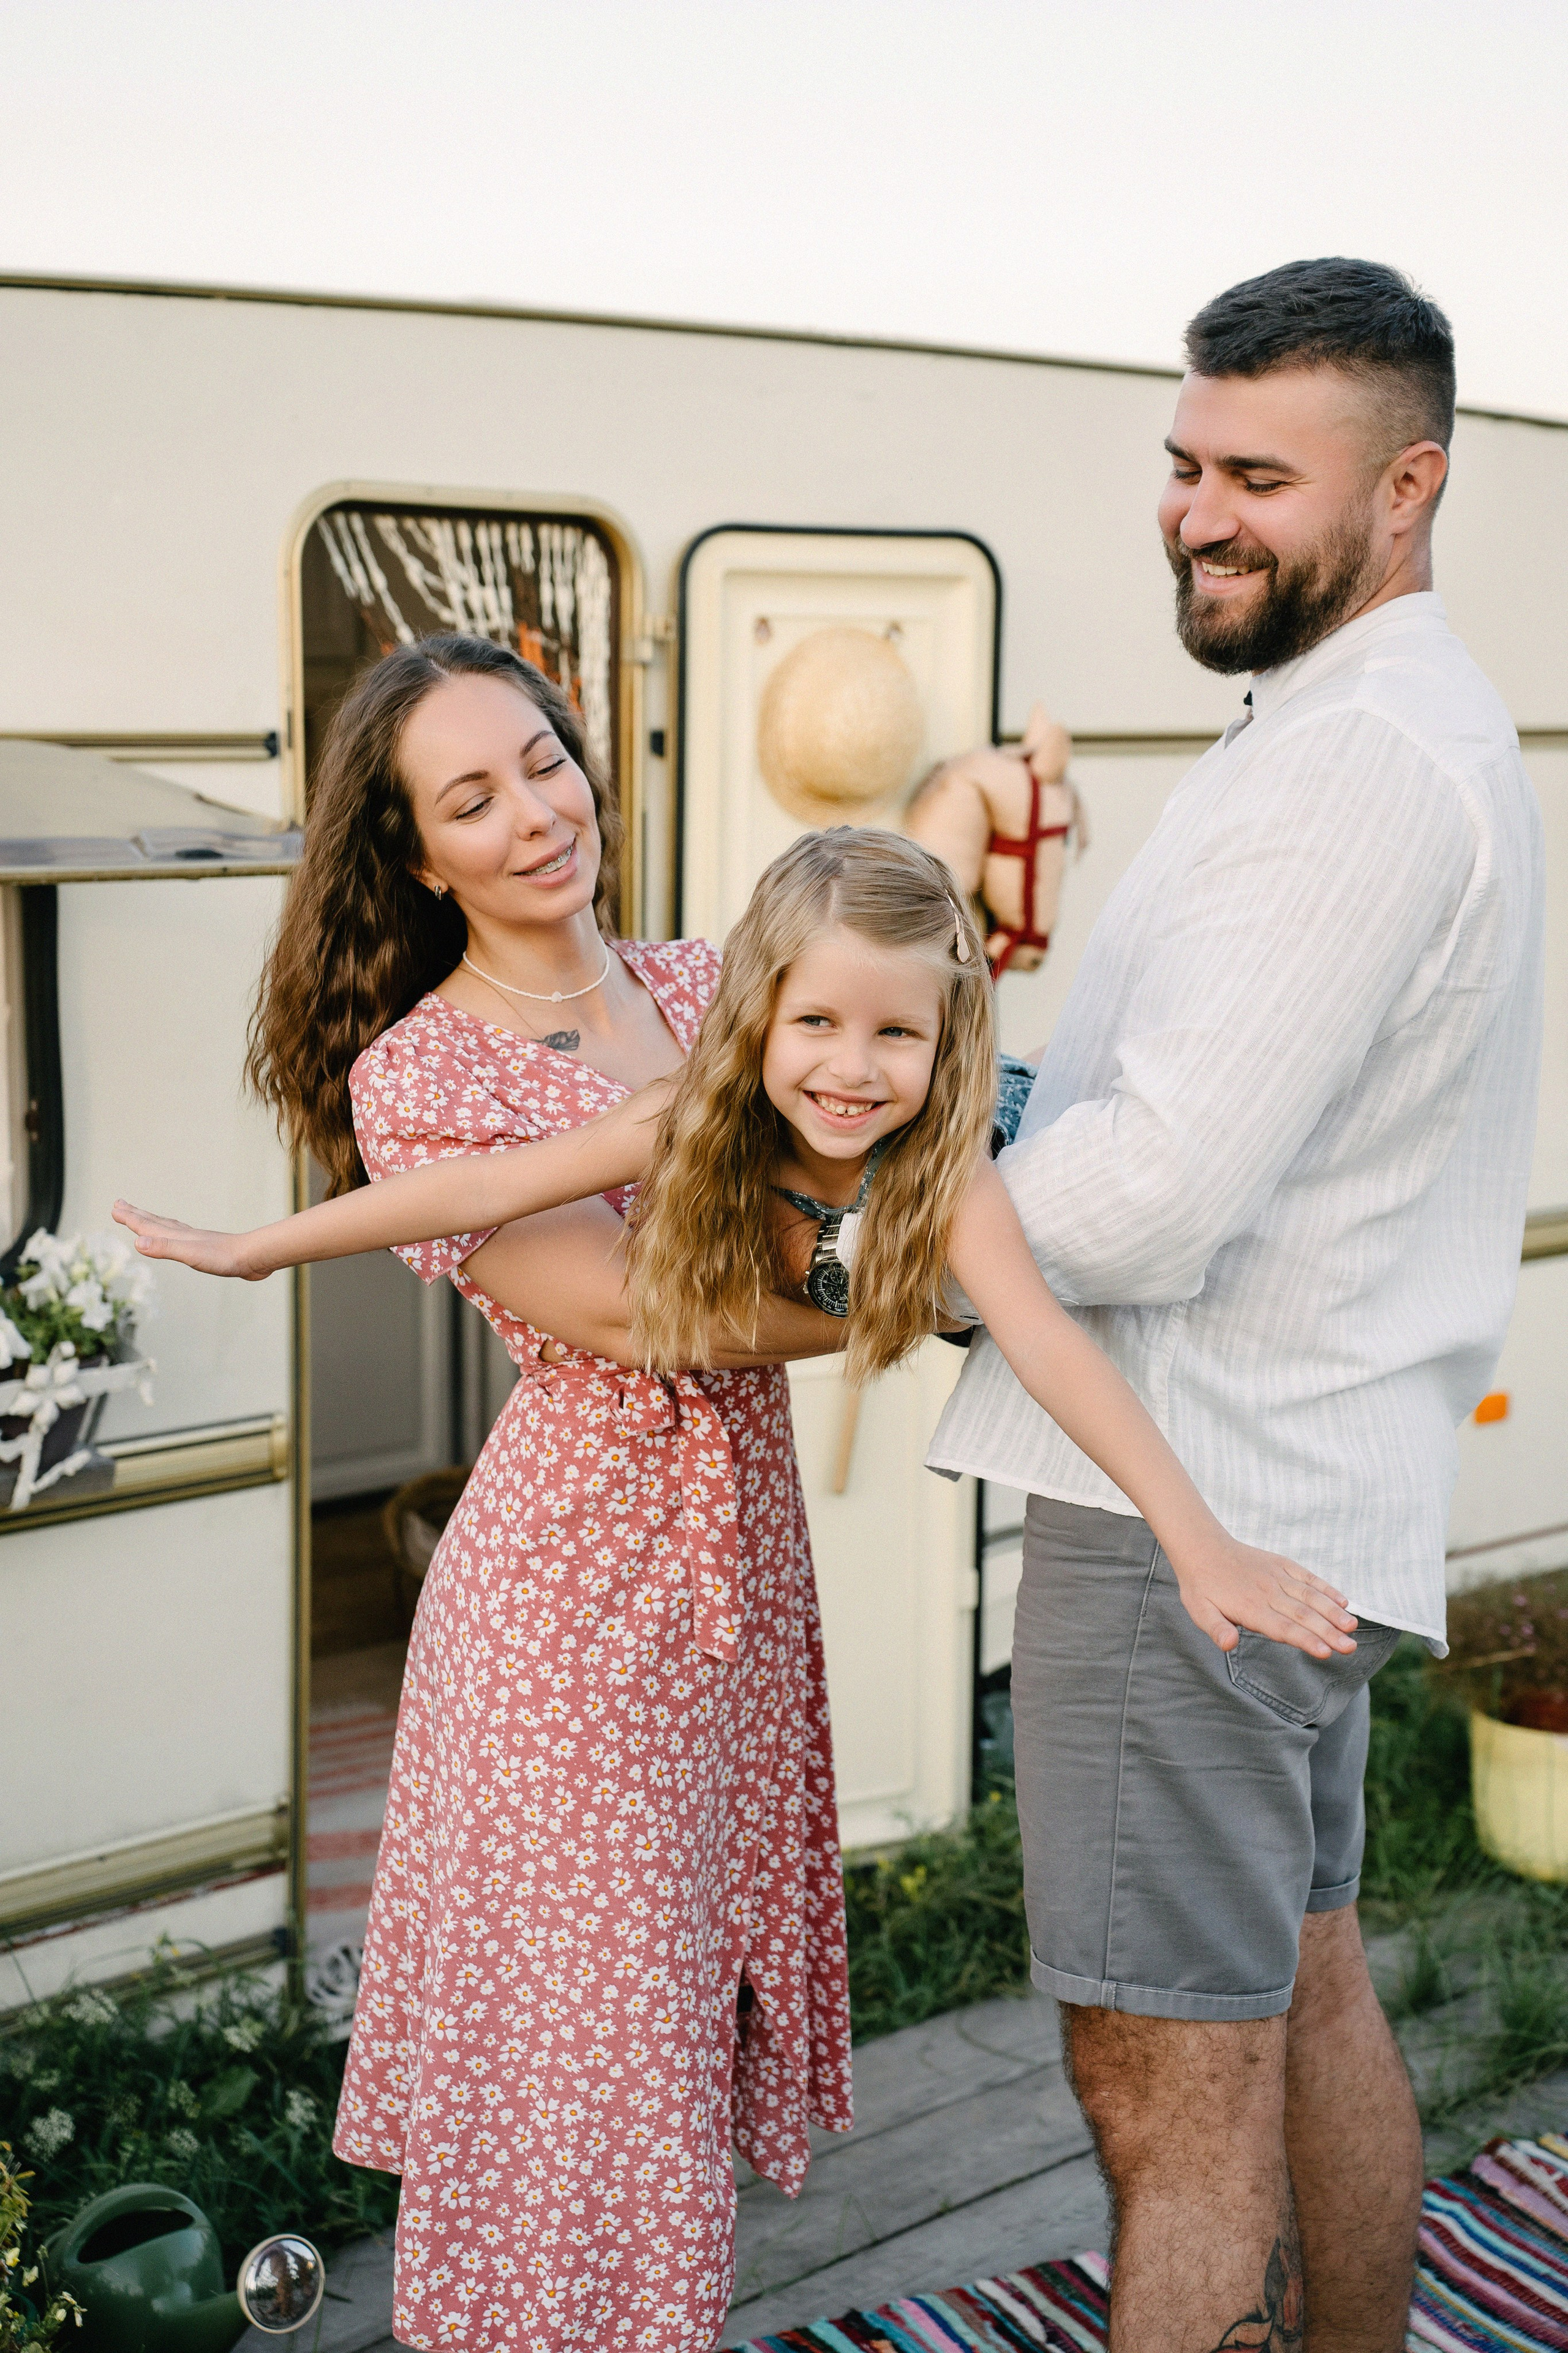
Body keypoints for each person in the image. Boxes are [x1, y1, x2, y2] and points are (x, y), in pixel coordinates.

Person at [924, 260, 1545, 2351]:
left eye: (1258, 474)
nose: (1196, 509)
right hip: (1304, 1502)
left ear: (1408, 490)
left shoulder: (1362, 764)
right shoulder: (1357, 727)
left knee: (1168, 2110)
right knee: (1311, 1983)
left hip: (1186, 1515)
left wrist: (901, 1226)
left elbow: (1162, 1186)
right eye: (1184, 460)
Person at [215, 632, 853, 2353]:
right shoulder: (418, 1072)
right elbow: (655, 1311)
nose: (533, 814)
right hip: (567, 1616)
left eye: (546, 762)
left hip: (732, 1594)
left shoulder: (711, 973)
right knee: (584, 2080)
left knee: (659, 2064)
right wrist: (907, 1299)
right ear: (419, 856)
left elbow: (851, 1148)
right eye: (471, 799)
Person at [119, 823, 1357, 1672]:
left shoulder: (949, 1170)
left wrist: (1199, 1546)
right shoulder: (692, 1115)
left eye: (894, 1033)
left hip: (1085, 1183)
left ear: (942, 1041)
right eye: (813, 1020)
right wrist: (259, 1246)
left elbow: (1041, 1340)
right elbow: (482, 1184)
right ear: (752, 1012)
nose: (850, 1069)